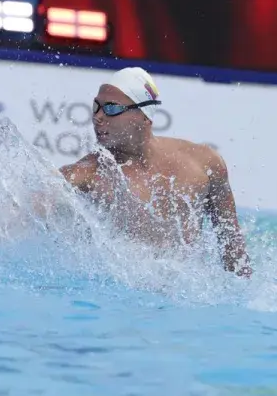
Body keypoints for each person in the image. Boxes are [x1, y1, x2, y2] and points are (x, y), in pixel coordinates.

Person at [58, 67, 252, 278]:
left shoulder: (204, 163)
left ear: (145, 116)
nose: (98, 117)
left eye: (111, 108)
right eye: (96, 107)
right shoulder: (84, 175)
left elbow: (233, 250)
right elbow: (38, 203)